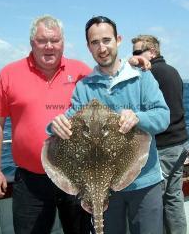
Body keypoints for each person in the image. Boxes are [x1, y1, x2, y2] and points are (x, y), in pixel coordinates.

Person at [48, 16, 170, 234]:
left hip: (145, 182)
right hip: (103, 189)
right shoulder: (84, 87)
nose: (102, 48)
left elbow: (163, 116)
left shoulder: (141, 77)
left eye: (106, 40)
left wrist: (138, 118)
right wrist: (54, 125)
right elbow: (69, 119)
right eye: (95, 42)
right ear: (88, 47)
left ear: (118, 40)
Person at [0, 15, 93, 234]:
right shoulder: (9, 74)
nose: (50, 46)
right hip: (31, 182)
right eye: (43, 40)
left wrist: (136, 65)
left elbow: (110, 88)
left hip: (76, 176)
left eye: (55, 40)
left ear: (63, 42)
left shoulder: (82, 72)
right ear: (32, 42)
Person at [132, 35, 189, 234]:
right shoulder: (173, 71)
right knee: (174, 197)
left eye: (138, 52)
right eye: (133, 53)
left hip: (164, 147)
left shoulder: (150, 73)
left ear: (152, 52)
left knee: (154, 202)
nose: (135, 57)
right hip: (181, 143)